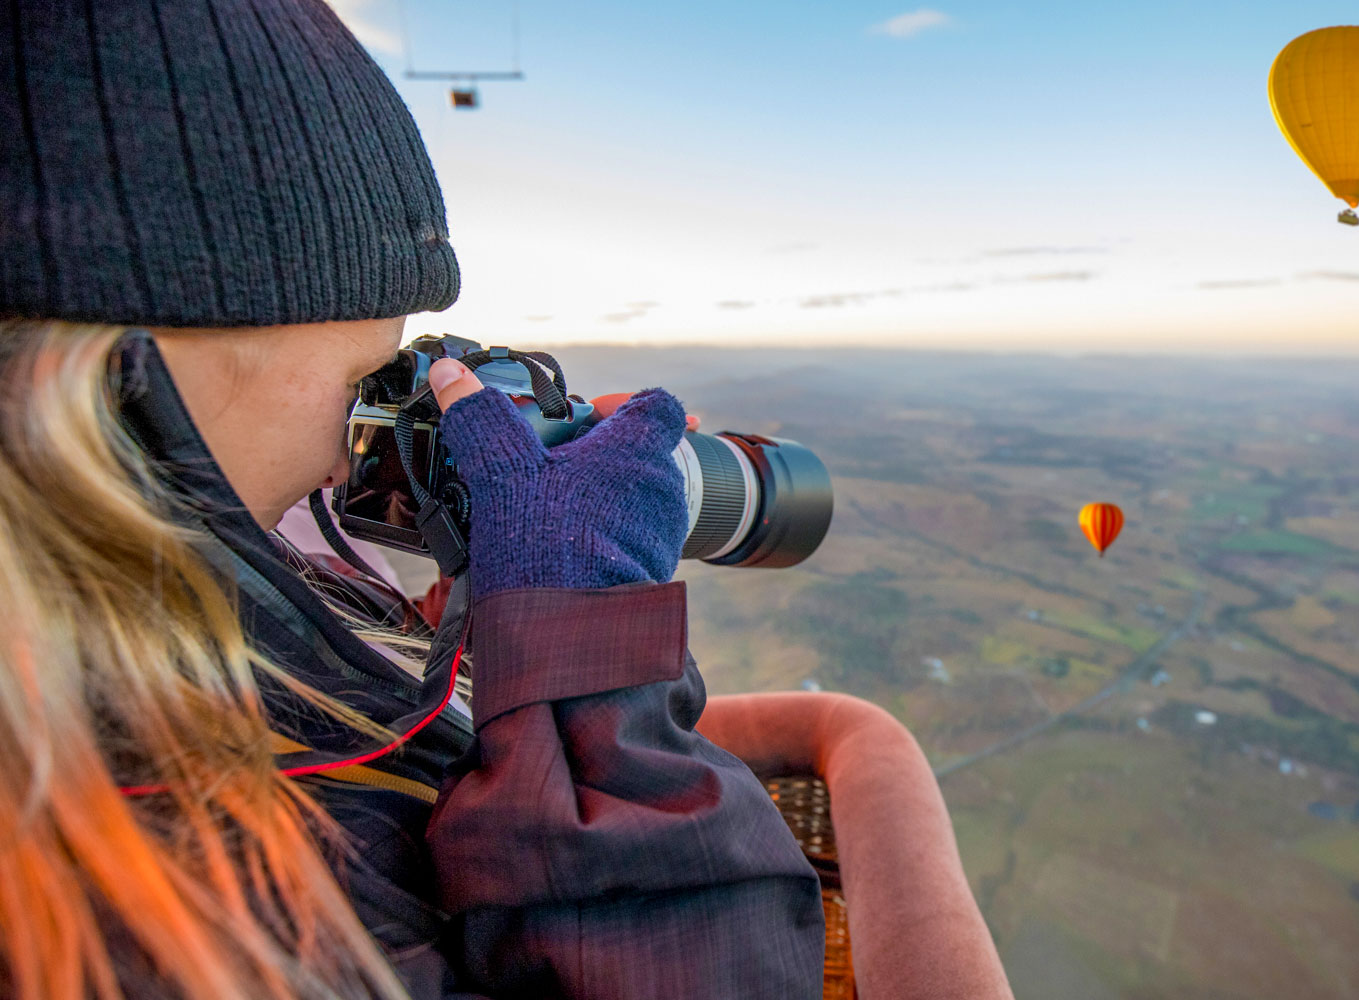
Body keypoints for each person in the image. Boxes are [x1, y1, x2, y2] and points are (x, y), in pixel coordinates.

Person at [0, 1, 824, 997]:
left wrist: (438, 643)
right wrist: (582, 661)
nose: (383, 422)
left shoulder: (134, 646)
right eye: (371, 376)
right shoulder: (186, 901)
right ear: (140, 367)